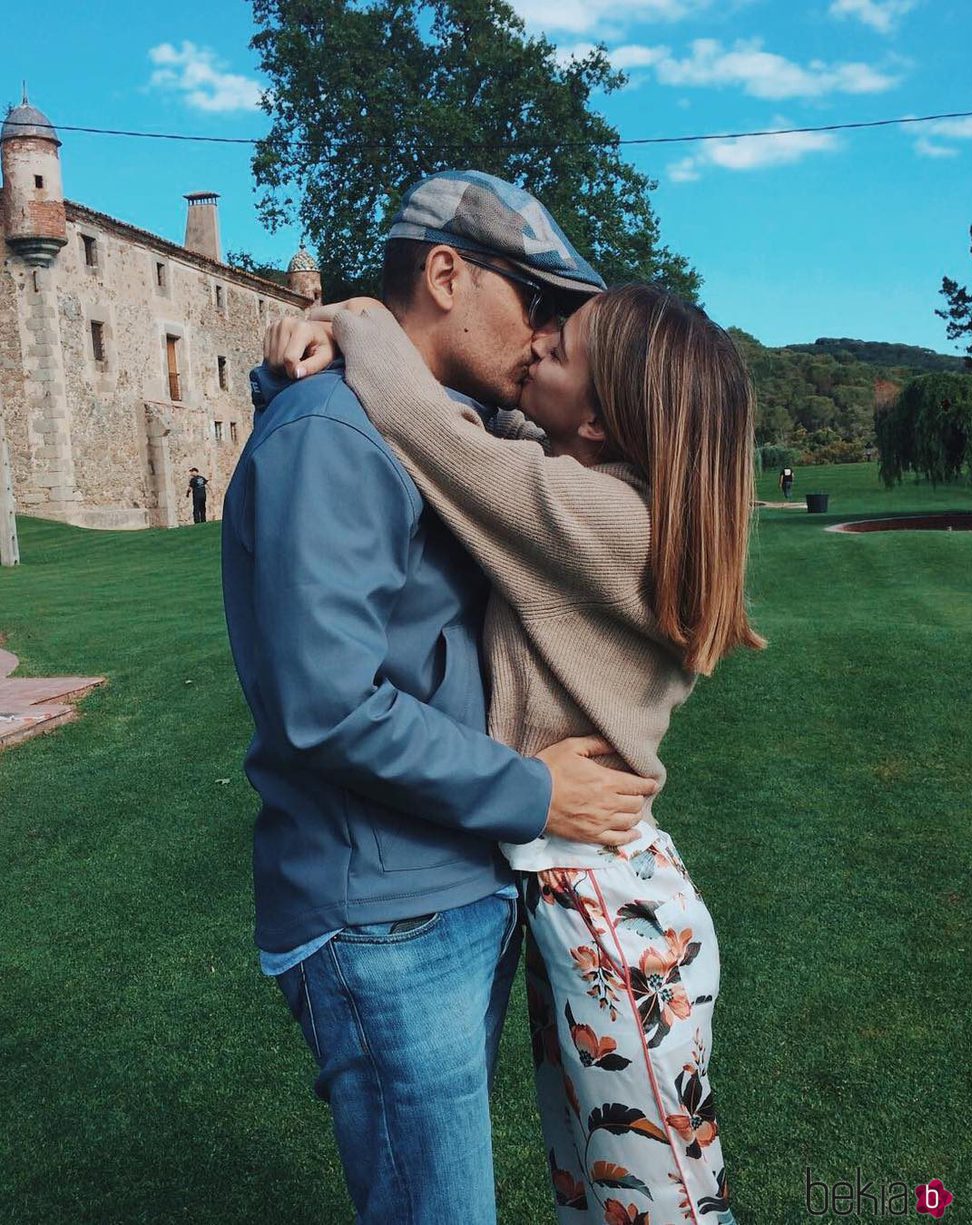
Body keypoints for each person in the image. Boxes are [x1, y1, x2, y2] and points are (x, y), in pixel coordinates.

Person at [266, 279, 765, 1224]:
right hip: (596, 894)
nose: (535, 347)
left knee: (665, 1205)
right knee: (593, 1190)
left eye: (561, 349)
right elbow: (504, 436)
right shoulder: (607, 489)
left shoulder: (604, 519)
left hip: (608, 911)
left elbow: (441, 438)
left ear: (605, 423)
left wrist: (356, 318)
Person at [221, 170, 660, 1225]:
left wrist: (333, 324)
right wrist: (531, 793)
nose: (549, 335)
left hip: (443, 889)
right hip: (384, 921)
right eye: (538, 302)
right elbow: (325, 706)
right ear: (448, 275)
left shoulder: (434, 431)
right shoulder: (335, 433)